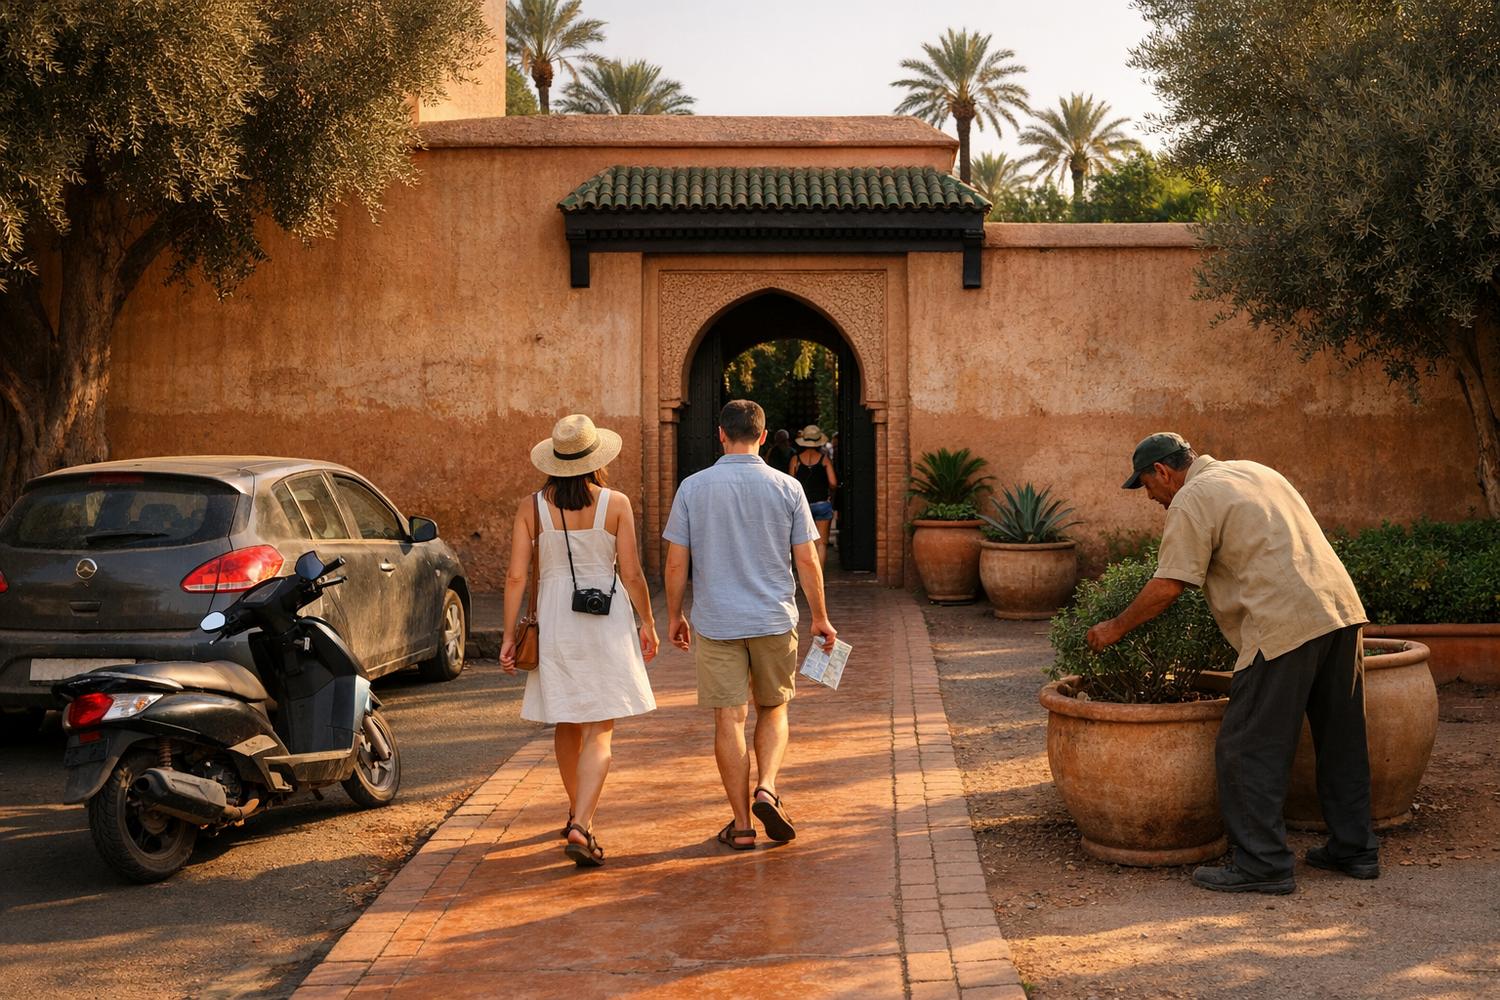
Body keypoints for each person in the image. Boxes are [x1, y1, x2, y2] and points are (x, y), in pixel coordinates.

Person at [1086, 433, 1376, 895]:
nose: (1150, 498)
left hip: (1281, 623)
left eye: (1145, 485)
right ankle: (1355, 849)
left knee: (1245, 747)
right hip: (1339, 612)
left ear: (1163, 471)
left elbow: (1169, 584)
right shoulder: (1254, 470)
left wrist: (1114, 628)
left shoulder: (1191, 498)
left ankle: (1263, 864)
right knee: (1341, 738)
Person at [664, 400, 837, 851]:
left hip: (717, 620)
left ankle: (741, 825)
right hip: (773, 617)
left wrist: (674, 614)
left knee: (729, 717)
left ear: (721, 434)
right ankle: (768, 786)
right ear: (763, 436)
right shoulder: (787, 487)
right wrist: (819, 616)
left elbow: (676, 561)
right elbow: (806, 559)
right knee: (774, 708)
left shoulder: (692, 488)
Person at [500, 413, 659, 869]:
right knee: (600, 729)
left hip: (554, 621)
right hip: (605, 620)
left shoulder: (531, 508)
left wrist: (509, 635)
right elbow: (630, 572)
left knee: (567, 721)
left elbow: (515, 576)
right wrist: (646, 621)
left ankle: (576, 812)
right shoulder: (617, 503)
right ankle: (582, 823)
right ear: (596, 458)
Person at [788, 424, 838, 567]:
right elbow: (833, 482)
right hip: (822, 503)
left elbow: (791, 484)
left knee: (801, 542)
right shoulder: (824, 459)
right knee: (821, 543)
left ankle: (804, 575)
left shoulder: (795, 460)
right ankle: (819, 576)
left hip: (801, 506)